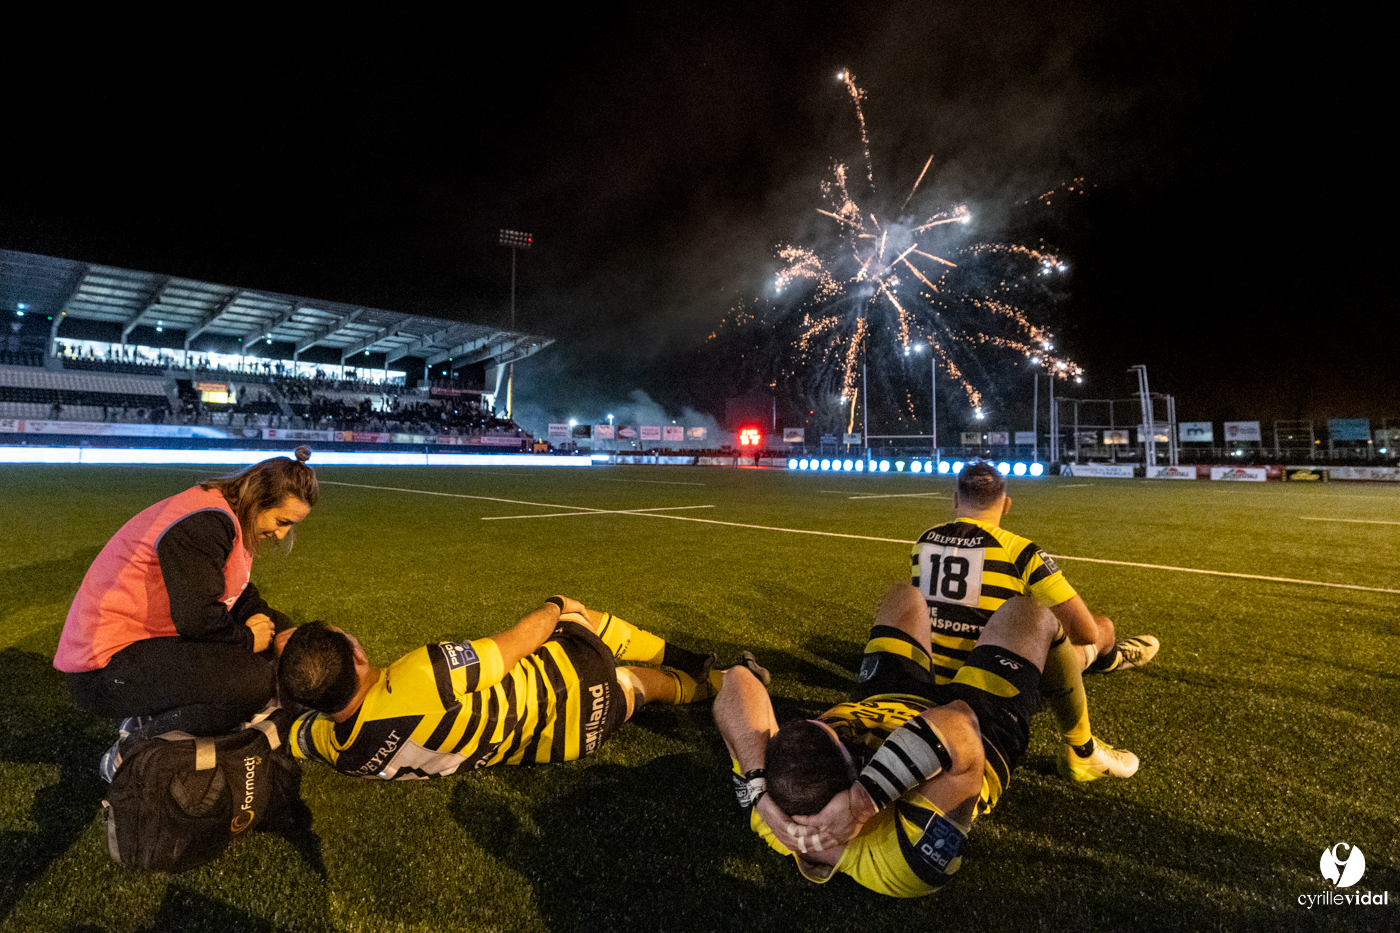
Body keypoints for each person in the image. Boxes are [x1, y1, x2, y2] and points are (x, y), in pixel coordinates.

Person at [714, 584, 1052, 898]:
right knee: (1028, 612)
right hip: (982, 733)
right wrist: (863, 802)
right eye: (848, 736)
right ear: (861, 769)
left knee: (904, 595)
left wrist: (758, 792)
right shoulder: (902, 861)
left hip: (888, 697)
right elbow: (960, 722)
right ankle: (1082, 736)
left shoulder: (770, 814)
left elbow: (738, 680)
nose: (848, 726)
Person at [277, 596, 767, 779]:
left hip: (569, 740)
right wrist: (555, 605)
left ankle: (717, 683)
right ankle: (707, 669)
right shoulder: (418, 677)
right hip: (570, 677)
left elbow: (298, 736)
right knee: (574, 617)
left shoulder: (344, 751)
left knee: (635, 686)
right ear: (357, 655)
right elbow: (513, 644)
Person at [54, 447, 318, 777]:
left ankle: (173, 710)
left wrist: (258, 616)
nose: (280, 534)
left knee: (279, 630)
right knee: (250, 680)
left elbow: (231, 587)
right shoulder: (206, 522)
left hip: (139, 646)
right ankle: (132, 750)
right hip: (104, 669)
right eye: (281, 522)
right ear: (258, 499)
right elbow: (198, 619)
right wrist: (249, 638)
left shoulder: (223, 513)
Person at [906, 459, 1158, 781]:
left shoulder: (923, 541)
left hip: (931, 683)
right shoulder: (1020, 551)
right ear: (1006, 504)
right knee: (1101, 629)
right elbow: (1084, 631)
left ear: (955, 500)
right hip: (994, 687)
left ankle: (1114, 659)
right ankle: (1088, 734)